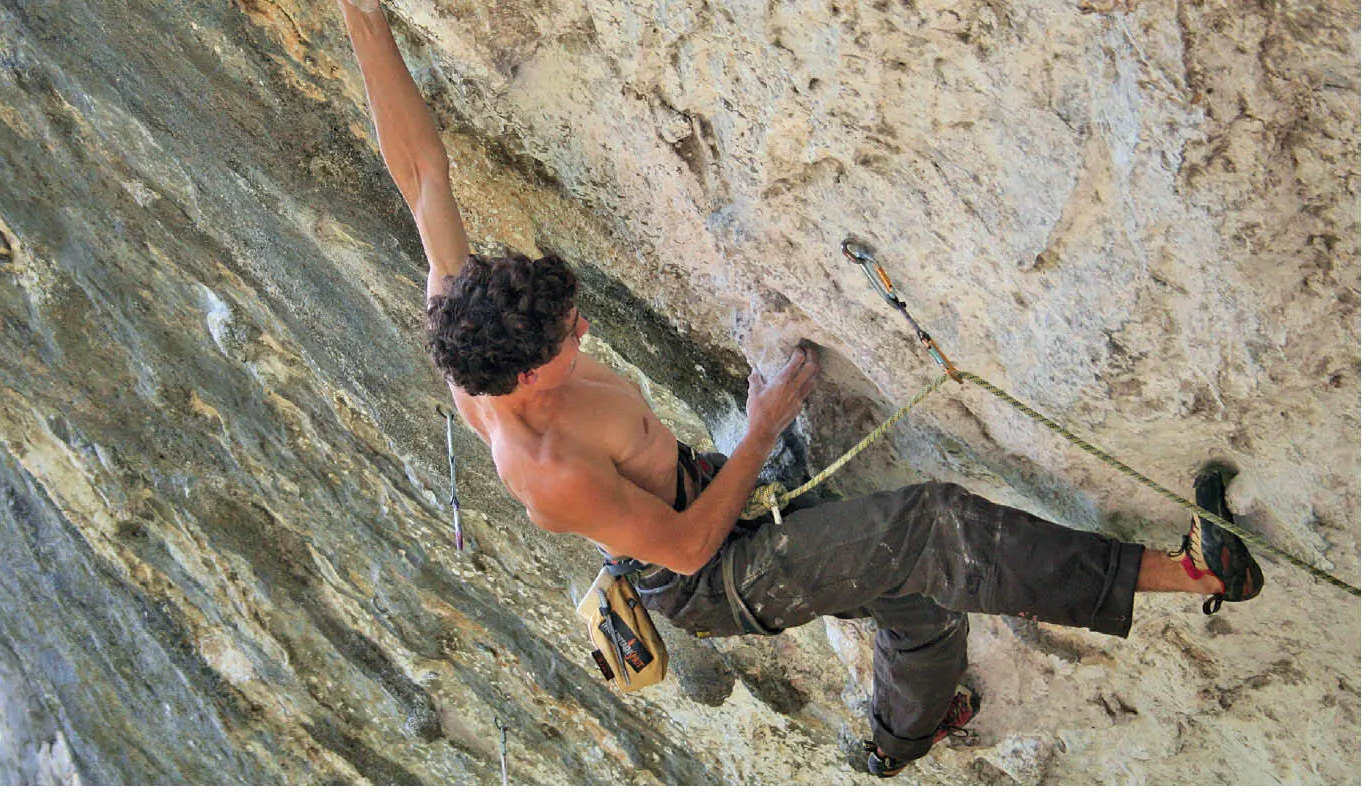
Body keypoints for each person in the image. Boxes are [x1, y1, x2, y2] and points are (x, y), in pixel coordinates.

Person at [335, 0, 1265, 776]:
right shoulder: (544, 468)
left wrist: (365, 24)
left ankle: (903, 737)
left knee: (917, 597)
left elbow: (420, 175)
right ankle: (1189, 572)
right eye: (570, 336)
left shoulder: (470, 322)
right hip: (718, 575)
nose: (586, 331)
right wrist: (762, 426)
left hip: (704, 495)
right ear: (531, 376)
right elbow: (695, 548)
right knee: (928, 528)